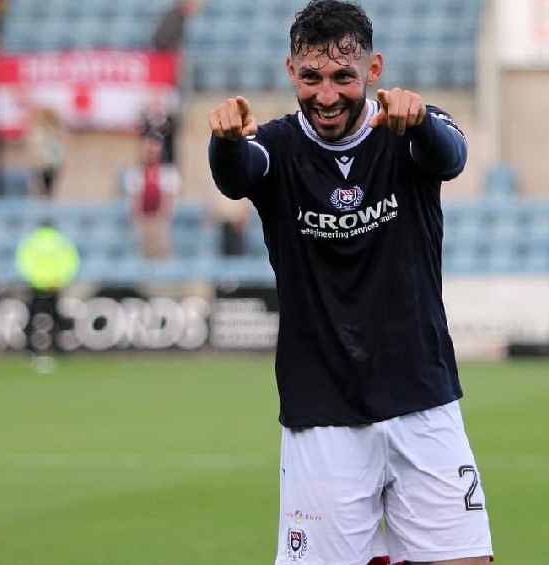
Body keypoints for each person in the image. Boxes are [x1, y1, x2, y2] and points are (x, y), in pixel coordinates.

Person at [207, 2, 492, 564]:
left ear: (374, 68)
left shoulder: (408, 131)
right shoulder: (275, 147)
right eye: (311, 78)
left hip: (422, 400)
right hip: (324, 414)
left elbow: (451, 156)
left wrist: (425, 121)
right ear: (291, 70)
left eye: (344, 76)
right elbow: (235, 175)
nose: (327, 94)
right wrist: (225, 141)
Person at [16, 220, 79, 373]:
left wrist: (35, 279)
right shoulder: (61, 242)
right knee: (56, 317)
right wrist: (59, 280)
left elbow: (23, 262)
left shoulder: (31, 241)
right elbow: (71, 262)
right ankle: (58, 347)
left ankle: (29, 348)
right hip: (54, 284)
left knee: (32, 317)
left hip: (36, 285)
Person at [124, 131, 179, 259]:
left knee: (160, 256)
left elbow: (168, 199)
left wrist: (159, 219)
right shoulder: (135, 173)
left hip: (160, 221)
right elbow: (134, 200)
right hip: (142, 221)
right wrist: (140, 220)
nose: (151, 152)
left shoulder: (168, 172)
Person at [25, 107, 66, 198]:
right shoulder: (40, 130)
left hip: (49, 164)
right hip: (43, 164)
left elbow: (58, 150)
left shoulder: (54, 131)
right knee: (42, 190)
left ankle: (45, 200)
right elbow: (35, 148)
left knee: (47, 190)